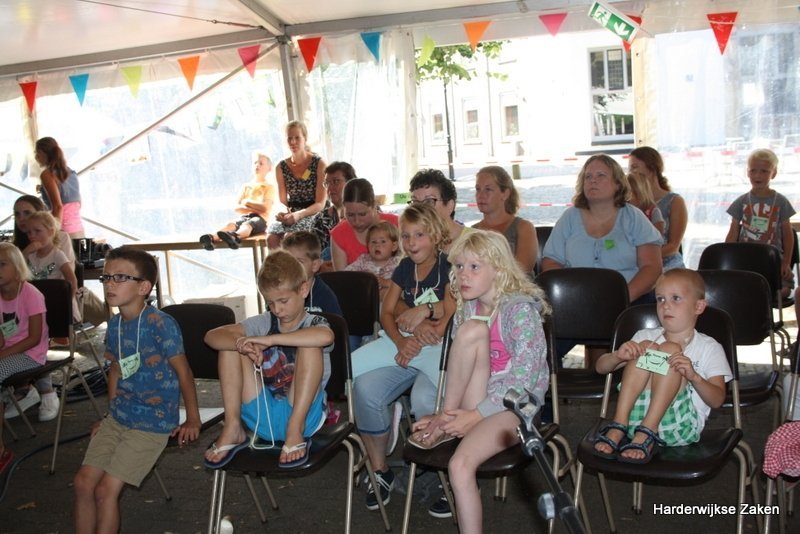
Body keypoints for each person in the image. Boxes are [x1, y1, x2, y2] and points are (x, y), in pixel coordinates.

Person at [408, 230, 550, 531]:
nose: (463, 275)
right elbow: (460, 371)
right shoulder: (468, 309)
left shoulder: (520, 312)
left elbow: (524, 382)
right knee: (472, 330)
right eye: (460, 266)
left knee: (459, 466)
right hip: (478, 397)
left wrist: (475, 415)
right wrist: (452, 413)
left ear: (499, 269)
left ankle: (451, 420)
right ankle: (446, 417)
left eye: (474, 266)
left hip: (516, 406)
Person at [73, 247, 201, 534]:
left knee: (105, 491)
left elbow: (184, 372)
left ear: (144, 287)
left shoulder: (161, 324)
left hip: (152, 420)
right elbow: (116, 371)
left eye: (120, 277)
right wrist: (110, 414)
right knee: (82, 483)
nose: (109, 284)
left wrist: (192, 419)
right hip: (120, 416)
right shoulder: (115, 325)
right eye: (106, 277)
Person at [352, 203, 455, 511]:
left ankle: (456, 469)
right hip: (403, 342)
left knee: (446, 399)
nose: (411, 243)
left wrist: (428, 331)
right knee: (350, 368)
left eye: (419, 235)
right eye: (406, 236)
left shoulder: (449, 266)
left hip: (436, 345)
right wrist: (400, 342)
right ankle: (377, 464)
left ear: (435, 236)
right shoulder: (404, 268)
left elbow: (452, 311)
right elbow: (386, 311)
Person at [202, 250, 334, 469]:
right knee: (231, 346)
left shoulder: (314, 322)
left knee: (310, 345)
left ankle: (294, 429)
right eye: (270, 303)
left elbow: (326, 337)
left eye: (283, 301)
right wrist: (244, 344)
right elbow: (211, 336)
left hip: (304, 415)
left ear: (303, 290)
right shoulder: (265, 321)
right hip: (262, 415)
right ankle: (233, 427)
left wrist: (269, 340)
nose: (277, 310)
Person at [592, 269, 731, 464]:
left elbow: (717, 400)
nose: (665, 306)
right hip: (633, 422)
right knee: (647, 347)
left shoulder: (709, 347)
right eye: (660, 299)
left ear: (698, 306)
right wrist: (617, 356)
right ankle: (619, 424)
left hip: (678, 425)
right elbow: (600, 368)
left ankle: (648, 429)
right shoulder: (644, 336)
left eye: (676, 298)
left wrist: (694, 377)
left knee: (669, 349)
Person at [542, 154, 663, 305]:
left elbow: (652, 267)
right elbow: (550, 262)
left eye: (601, 175)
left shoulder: (634, 217)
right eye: (588, 176)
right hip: (576, 302)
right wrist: (569, 295)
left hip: (631, 302)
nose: (593, 180)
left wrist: (623, 298)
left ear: (618, 184)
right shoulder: (569, 217)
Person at [0, 243, 48, 475]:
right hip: (8, 353)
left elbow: (34, 338)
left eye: (1, 264)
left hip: (31, 354)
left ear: (18, 267)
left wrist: (2, 354)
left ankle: (0, 450)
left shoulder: (31, 294)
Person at [725, 148, 795, 297]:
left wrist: (786, 263)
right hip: (745, 259)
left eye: (764, 171)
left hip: (773, 259)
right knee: (739, 291)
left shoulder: (781, 202)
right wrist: (728, 256)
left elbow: (788, 235)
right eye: (753, 170)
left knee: (783, 291)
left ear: (773, 173)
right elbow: (733, 232)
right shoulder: (741, 201)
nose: (758, 175)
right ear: (747, 172)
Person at [266, 121, 327, 249]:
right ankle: (279, 263)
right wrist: (283, 213)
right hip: (292, 213)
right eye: (289, 138)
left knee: (290, 238)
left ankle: (294, 263)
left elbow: (320, 203)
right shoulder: (281, 167)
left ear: (305, 138)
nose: (293, 142)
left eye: (297, 138)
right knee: (271, 238)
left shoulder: (319, 163)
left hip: (314, 212)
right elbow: (282, 201)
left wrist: (299, 215)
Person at [200, 151, 276, 250]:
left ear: (269, 168)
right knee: (231, 224)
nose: (257, 165)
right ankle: (211, 238)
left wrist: (247, 203)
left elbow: (265, 207)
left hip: (261, 219)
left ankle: (235, 237)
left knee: (247, 225)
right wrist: (256, 208)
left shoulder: (269, 187)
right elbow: (237, 208)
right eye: (255, 163)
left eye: (261, 163)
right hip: (245, 216)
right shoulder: (246, 186)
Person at [629, 146, 687, 270]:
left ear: (652, 168)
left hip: (667, 266)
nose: (631, 172)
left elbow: (673, 246)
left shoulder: (674, 201)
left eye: (635, 167)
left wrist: (641, 257)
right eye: (630, 169)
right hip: (637, 265)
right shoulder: (629, 204)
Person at [471, 166, 537, 275]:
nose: (480, 196)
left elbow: (522, 270)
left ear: (505, 194)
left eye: (488, 189)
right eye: (478, 189)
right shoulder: (472, 231)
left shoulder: (524, 228)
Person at [330, 178, 399, 271]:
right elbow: (342, 277)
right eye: (350, 215)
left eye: (362, 214)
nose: (357, 221)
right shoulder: (339, 234)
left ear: (374, 205)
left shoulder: (397, 224)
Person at [281, 231, 342, 316]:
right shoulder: (279, 292)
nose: (291, 267)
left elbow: (336, 323)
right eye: (287, 261)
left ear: (315, 265)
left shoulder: (325, 296)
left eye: (299, 262)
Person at [311, 161, 357, 271]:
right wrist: (320, 267)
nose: (330, 188)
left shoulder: (367, 212)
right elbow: (312, 255)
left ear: (350, 183)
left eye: (336, 182)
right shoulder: (320, 219)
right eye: (327, 183)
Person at [34, 137, 84, 238]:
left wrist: (55, 235)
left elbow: (58, 207)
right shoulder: (71, 173)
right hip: (78, 229)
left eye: (36, 153)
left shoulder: (47, 174)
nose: (36, 157)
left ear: (42, 153)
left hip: (62, 229)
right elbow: (77, 202)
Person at [409, 168, 466, 252]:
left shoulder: (475, 243)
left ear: (450, 206)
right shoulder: (410, 243)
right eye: (415, 201)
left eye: (429, 201)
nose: (420, 209)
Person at [345, 221, 401, 301]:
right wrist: (361, 279)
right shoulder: (363, 260)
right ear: (368, 245)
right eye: (373, 242)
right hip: (365, 298)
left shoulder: (398, 262)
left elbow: (404, 282)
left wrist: (385, 282)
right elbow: (347, 273)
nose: (377, 245)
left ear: (394, 246)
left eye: (383, 241)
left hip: (387, 302)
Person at [13, 194, 75, 263]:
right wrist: (25, 252)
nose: (21, 219)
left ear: (40, 214)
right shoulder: (14, 246)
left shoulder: (61, 237)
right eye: (17, 214)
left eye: (27, 213)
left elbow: (69, 267)